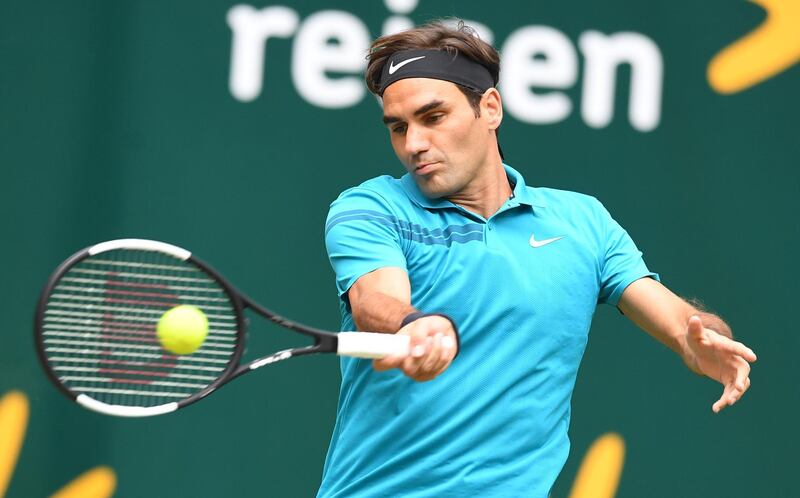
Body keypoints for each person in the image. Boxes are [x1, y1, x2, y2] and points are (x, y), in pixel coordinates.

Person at [318, 21, 756, 498]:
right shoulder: (369, 208)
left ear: (489, 108)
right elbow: (374, 301)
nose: (414, 144)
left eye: (433, 117)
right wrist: (412, 325)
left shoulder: (583, 221)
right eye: (399, 127)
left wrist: (700, 339)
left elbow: (678, 320)